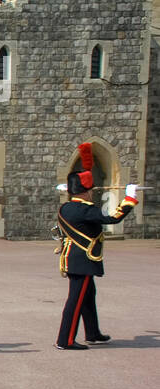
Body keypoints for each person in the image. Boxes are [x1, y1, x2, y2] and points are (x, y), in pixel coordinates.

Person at [55, 143, 139, 350]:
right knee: (75, 301)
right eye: (90, 190)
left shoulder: (67, 208)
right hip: (84, 260)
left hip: (73, 258)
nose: (92, 193)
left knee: (87, 296)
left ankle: (92, 332)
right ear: (85, 191)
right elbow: (113, 218)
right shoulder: (86, 210)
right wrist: (129, 199)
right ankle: (64, 340)